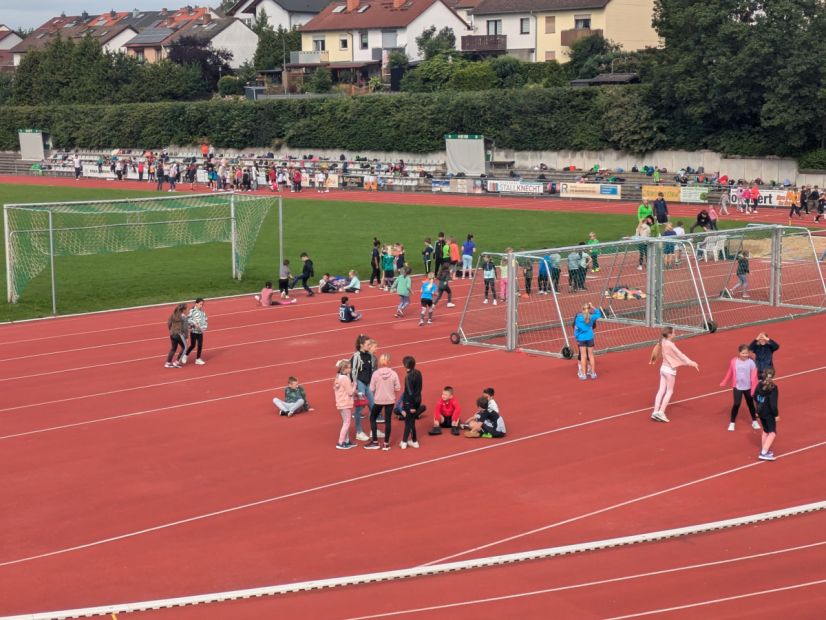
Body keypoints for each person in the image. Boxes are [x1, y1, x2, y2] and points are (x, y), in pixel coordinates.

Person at [650, 326, 699, 422]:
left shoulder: (662, 341)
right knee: (669, 391)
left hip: (663, 369)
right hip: (669, 370)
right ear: (669, 335)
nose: (675, 334)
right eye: (673, 333)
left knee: (661, 391)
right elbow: (680, 354)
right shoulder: (670, 344)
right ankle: (661, 412)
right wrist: (691, 362)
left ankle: (655, 411)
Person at [720, 344, 760, 431]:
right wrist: (724, 381)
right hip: (737, 387)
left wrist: (754, 389)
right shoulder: (734, 361)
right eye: (743, 353)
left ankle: (754, 421)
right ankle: (732, 422)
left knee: (750, 404)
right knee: (736, 404)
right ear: (739, 353)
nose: (745, 355)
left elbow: (754, 378)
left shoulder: (751, 363)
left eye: (746, 353)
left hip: (748, 387)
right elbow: (730, 372)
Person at [365, 354, 400, 450]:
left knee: (373, 418)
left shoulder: (376, 374)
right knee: (388, 421)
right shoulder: (394, 374)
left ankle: (375, 442)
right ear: (389, 362)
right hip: (390, 400)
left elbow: (371, 388)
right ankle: (386, 444)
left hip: (378, 400)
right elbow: (398, 388)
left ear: (380, 362)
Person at [351, 336, 380, 442]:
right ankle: (359, 432)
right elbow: (353, 371)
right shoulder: (356, 356)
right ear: (361, 345)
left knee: (373, 407)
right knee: (359, 409)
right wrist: (355, 386)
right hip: (360, 384)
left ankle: (374, 430)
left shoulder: (369, 355)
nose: (369, 346)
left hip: (367, 384)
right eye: (367, 344)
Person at [400, 356, 426, 449]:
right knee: (411, 421)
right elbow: (419, 389)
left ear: (405, 365)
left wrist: (411, 406)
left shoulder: (408, 377)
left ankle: (404, 442)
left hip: (409, 403)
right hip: (418, 400)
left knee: (408, 422)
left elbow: (410, 393)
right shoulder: (418, 373)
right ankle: (414, 441)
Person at [755, 368, 780, 461]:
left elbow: (755, 397)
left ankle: (764, 449)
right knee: (772, 432)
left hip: (760, 412)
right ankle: (764, 452)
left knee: (765, 431)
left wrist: (757, 410)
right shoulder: (773, 388)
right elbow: (773, 404)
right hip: (768, 413)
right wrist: (776, 414)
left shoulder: (759, 385)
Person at [574, 302, 603, 380]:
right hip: (590, 337)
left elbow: (576, 329)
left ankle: (584, 374)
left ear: (582, 310)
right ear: (588, 309)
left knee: (583, 356)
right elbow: (599, 313)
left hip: (581, 339)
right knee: (591, 356)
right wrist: (593, 306)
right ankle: (593, 373)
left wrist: (576, 337)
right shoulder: (592, 317)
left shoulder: (578, 318)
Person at [333, 359, 357, 450]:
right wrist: (354, 385)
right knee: (346, 423)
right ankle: (341, 442)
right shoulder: (345, 378)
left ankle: (346, 441)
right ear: (345, 369)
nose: (350, 369)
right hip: (345, 403)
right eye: (349, 368)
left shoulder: (338, 377)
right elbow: (350, 392)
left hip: (340, 403)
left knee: (345, 422)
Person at [183, 298, 208, 366]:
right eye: (200, 304)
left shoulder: (203, 312)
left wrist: (204, 327)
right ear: (196, 304)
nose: (201, 306)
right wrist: (194, 323)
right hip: (193, 331)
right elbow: (188, 319)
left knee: (200, 345)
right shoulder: (192, 311)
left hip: (200, 332)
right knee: (193, 345)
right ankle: (185, 355)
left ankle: (198, 359)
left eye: (202, 304)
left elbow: (205, 320)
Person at [165, 303, 189, 368]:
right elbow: (185, 328)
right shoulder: (184, 317)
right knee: (185, 348)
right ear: (183, 310)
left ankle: (168, 363)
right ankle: (177, 362)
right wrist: (186, 337)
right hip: (179, 334)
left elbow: (169, 323)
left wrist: (171, 330)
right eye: (186, 308)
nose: (187, 310)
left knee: (173, 348)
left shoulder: (173, 315)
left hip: (172, 334)